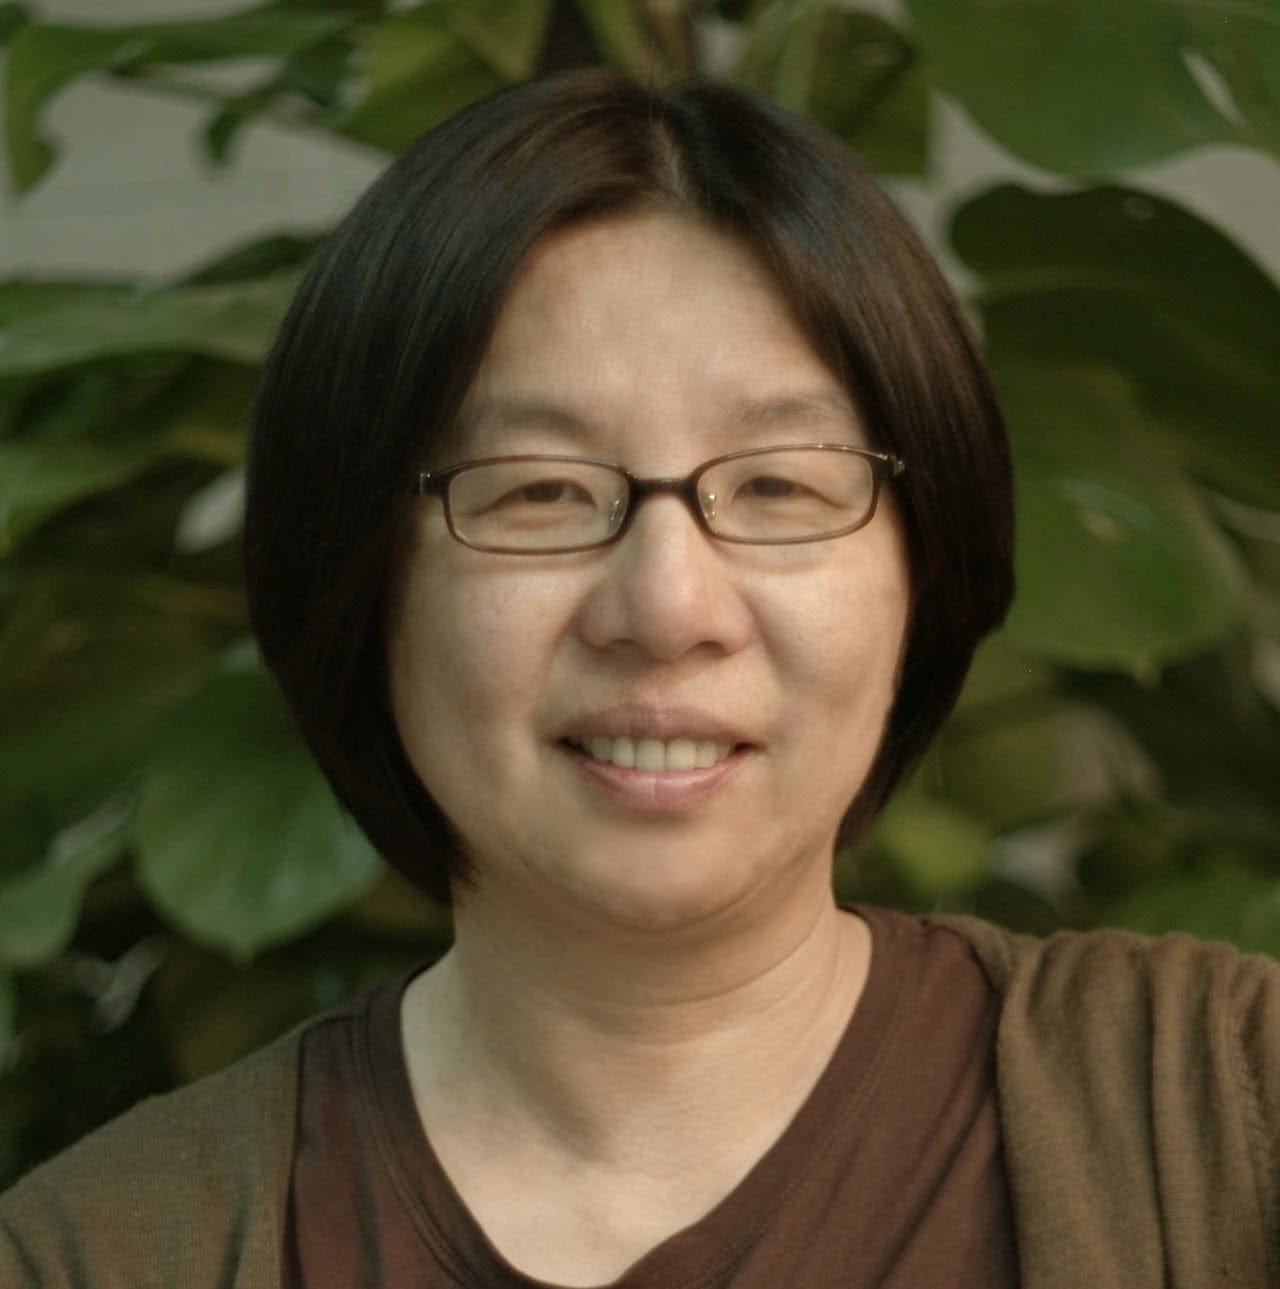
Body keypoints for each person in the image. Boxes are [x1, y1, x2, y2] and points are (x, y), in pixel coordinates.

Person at [2, 68, 1277, 1289]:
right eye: (540, 492)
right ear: (360, 575)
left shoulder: (1225, 1112)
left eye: (777, 484)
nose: (667, 608)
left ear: (922, 567)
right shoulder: (96, 1253)